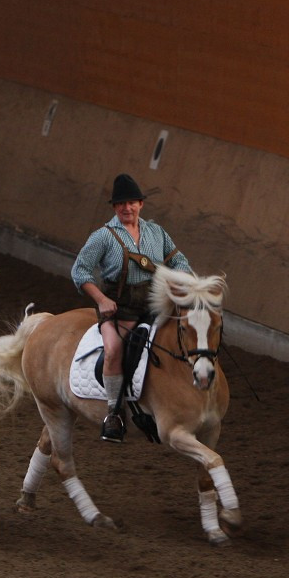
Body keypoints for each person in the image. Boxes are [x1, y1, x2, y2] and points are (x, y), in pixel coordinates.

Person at [71, 173, 191, 442]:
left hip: (154, 306)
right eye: (121, 204)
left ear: (141, 204)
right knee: (114, 350)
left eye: (132, 203)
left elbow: (180, 262)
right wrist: (102, 300)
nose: (127, 208)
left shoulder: (156, 233)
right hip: (120, 310)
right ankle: (113, 412)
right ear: (115, 207)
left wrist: (184, 286)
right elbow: (80, 271)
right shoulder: (103, 236)